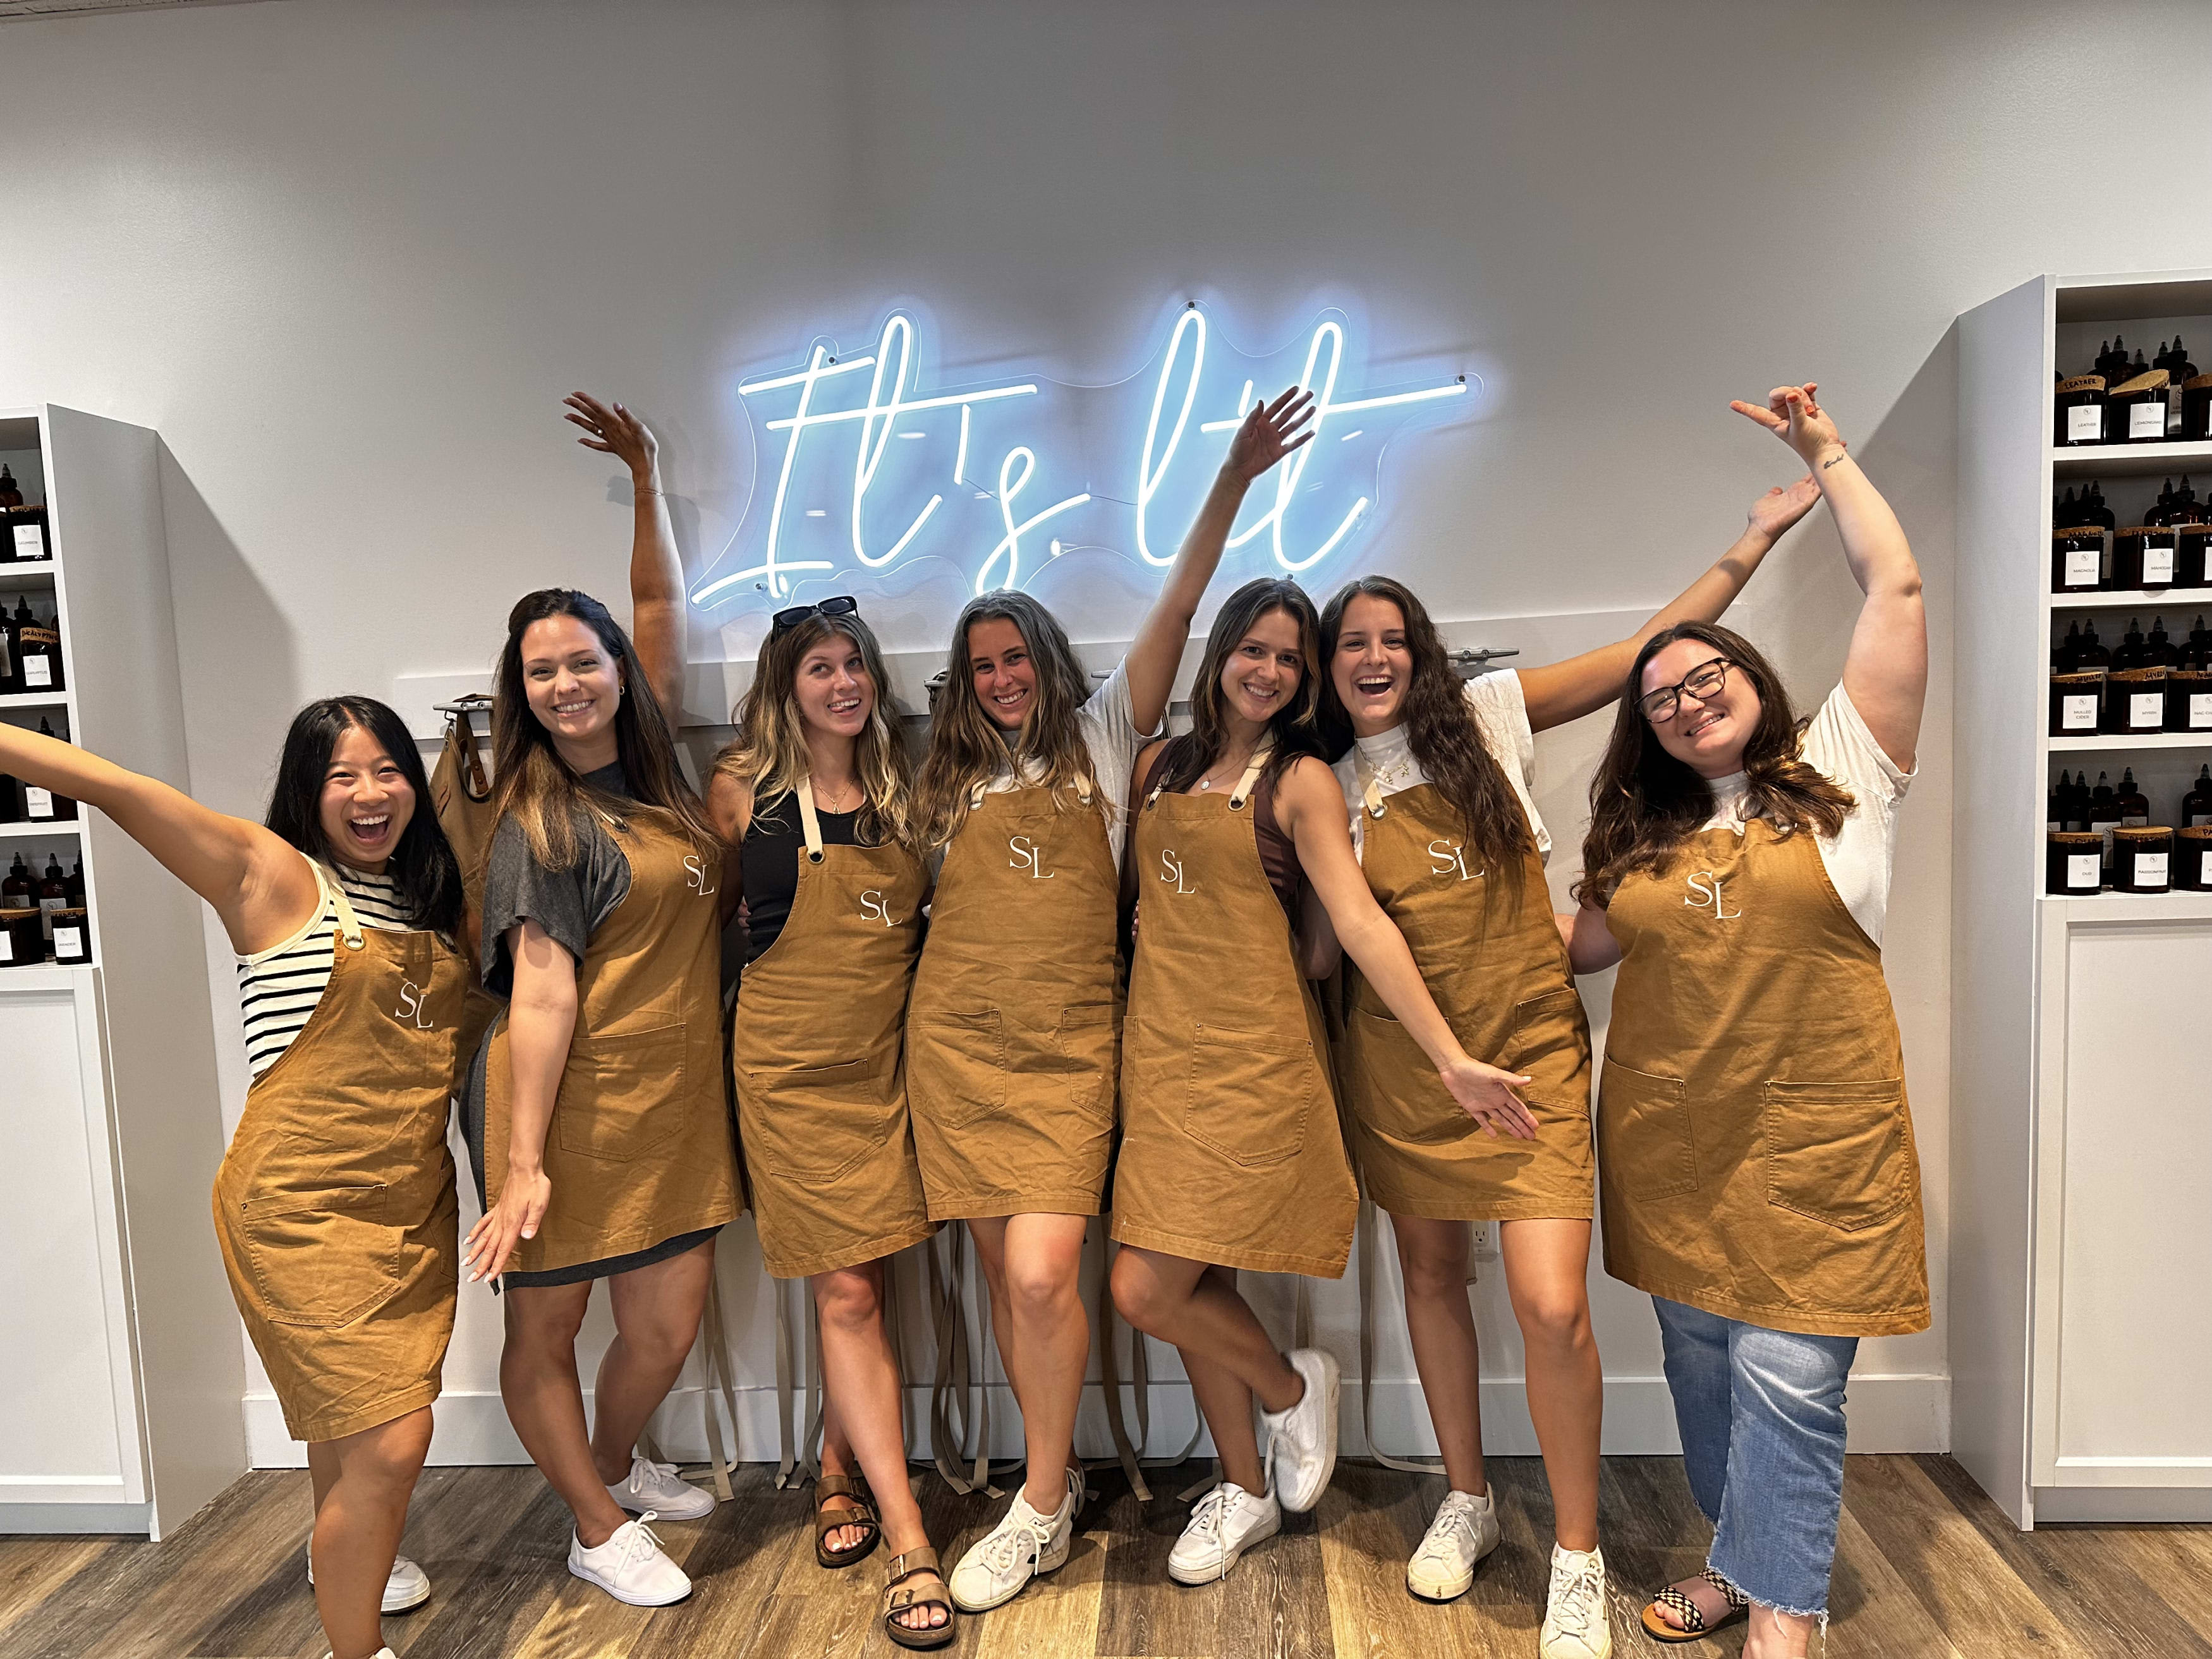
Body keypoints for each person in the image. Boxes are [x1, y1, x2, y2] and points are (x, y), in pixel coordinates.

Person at [1305, 471, 1814, 1655]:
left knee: (1548, 1305)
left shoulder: (1489, 713)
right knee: (1432, 1281)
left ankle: (1576, 1556)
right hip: (1405, 1068)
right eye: (1353, 643)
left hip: (1527, 1046)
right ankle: (1469, 1498)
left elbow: (1647, 650)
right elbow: (1343, 943)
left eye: (1393, 638)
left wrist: (1751, 538)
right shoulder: (1319, 784)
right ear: (1330, 668)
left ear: (1422, 655)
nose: (1374, 657)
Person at [907, 388, 1315, 1615]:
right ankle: (1051, 1485)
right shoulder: (941, 785)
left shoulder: (1101, 739)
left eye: (1012, 655)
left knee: (1045, 1275)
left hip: (1071, 1052)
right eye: (978, 666)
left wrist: (1233, 477)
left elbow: (1185, 608)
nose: (998, 679)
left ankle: (1035, 1505)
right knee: (1007, 1283)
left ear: (1043, 656)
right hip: (957, 1053)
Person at [1567, 385, 1928, 1659]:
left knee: (1788, 1377)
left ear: (1753, 681)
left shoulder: (1847, 770)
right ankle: (1738, 1553)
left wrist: (1823, 455)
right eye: (1660, 690)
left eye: (1704, 671)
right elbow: (1565, 952)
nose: (1683, 695)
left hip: (1814, 1148)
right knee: (1704, 1369)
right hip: (1674, 1149)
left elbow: (1895, 595)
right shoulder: (1644, 836)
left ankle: (1785, 1606)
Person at [0, 698, 469, 1659]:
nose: (371, 792)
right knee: (393, 1443)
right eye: (343, 775)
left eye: (388, 770)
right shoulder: (270, 873)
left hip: (410, 1202)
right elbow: (117, 787)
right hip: (301, 1207)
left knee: (350, 1436)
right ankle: (357, 1647)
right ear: (308, 789)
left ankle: (347, 1552)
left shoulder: (424, 900)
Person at [1107, 576, 1534, 1585]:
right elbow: (1138, 905)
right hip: (1160, 1057)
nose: (1270, 670)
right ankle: (1245, 1488)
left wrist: (1448, 1055)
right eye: (1254, 648)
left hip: (1254, 1061)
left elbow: (1344, 932)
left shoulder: (1302, 778)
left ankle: (1292, 1387)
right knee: (1190, 1276)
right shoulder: (1158, 765)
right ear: (1221, 654)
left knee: (1144, 1284)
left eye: (1290, 659)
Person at [459, 398, 741, 1611]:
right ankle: (591, 1522)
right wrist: (521, 1164)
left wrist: (644, 477)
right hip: (560, 1099)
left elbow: (663, 614)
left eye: (585, 661)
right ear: (521, 694)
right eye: (544, 671)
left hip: (671, 1093)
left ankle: (614, 1469)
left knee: (666, 1325)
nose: (569, 682)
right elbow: (539, 990)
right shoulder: (539, 823)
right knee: (548, 1331)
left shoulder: (658, 769)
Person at [708, 600, 953, 1651]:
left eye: (855, 664)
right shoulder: (743, 795)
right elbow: (702, 923)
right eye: (821, 667)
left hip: (894, 1064)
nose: (844, 682)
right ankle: (911, 1537)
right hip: (792, 1070)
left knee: (869, 1269)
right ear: (785, 684)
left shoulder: (908, 788)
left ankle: (838, 1466)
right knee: (847, 1280)